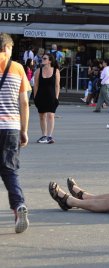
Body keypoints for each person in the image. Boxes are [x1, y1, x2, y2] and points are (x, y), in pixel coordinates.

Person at [0, 33, 30, 233]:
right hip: (11, 127)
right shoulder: (18, 68)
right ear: (8, 48)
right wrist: (24, 130)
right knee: (10, 170)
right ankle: (18, 206)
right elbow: (25, 103)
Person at [34, 53, 60, 144]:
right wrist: (35, 97)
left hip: (51, 96)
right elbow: (36, 85)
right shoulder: (38, 71)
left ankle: (49, 136)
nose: (42, 59)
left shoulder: (56, 71)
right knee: (42, 116)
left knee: (51, 115)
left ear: (50, 61)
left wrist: (56, 97)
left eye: (45, 58)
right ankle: (43, 135)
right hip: (41, 96)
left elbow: (57, 86)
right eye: (42, 58)